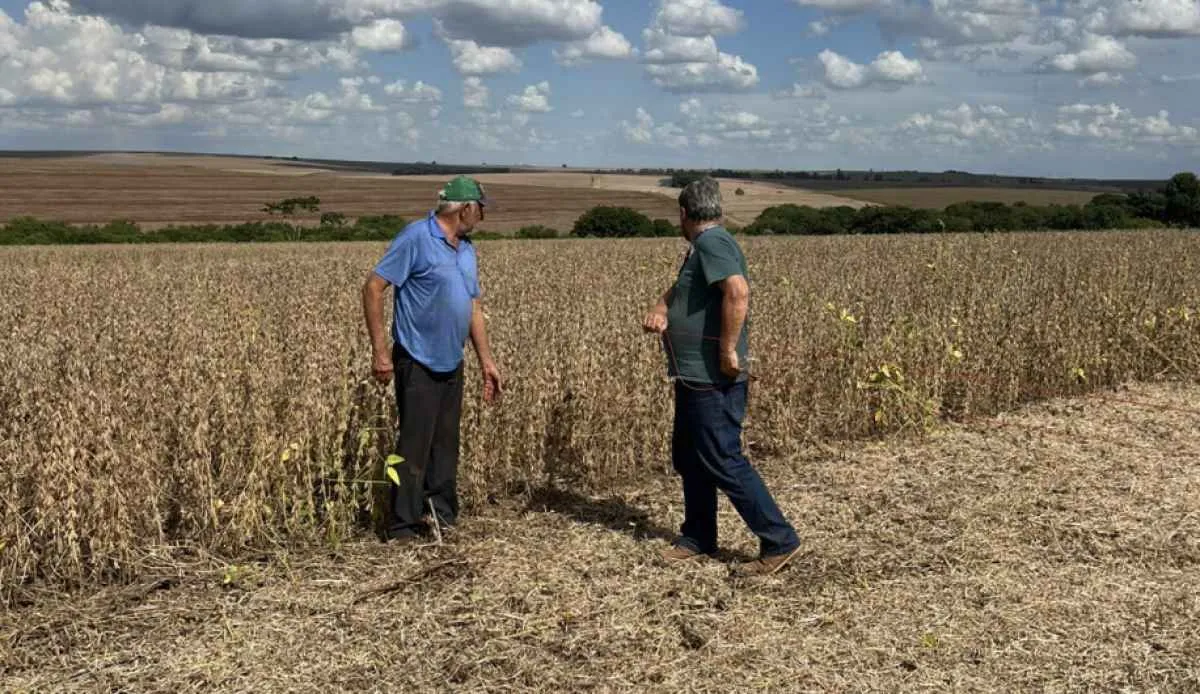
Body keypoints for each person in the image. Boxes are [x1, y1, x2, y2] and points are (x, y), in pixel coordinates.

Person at [642, 177, 802, 576]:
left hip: (712, 376)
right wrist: (663, 307)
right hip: (694, 375)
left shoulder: (713, 243)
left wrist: (728, 349)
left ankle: (779, 539)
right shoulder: (703, 248)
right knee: (691, 456)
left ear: (683, 213)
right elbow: (684, 289)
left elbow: (738, 292)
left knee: (721, 457)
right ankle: (698, 536)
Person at [362, 175, 503, 543]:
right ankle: (402, 525)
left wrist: (486, 361)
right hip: (417, 358)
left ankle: (440, 517)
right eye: (481, 209)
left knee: (445, 445)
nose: (483, 217)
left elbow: (472, 307)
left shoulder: (466, 249)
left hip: (451, 359)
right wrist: (380, 351)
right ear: (466, 208)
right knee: (413, 445)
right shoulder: (416, 238)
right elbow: (374, 287)